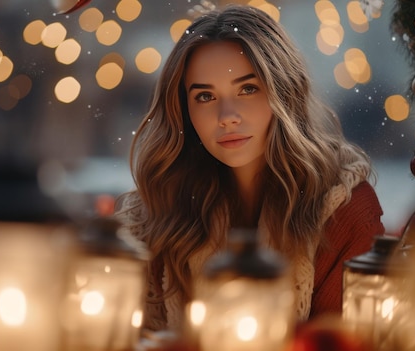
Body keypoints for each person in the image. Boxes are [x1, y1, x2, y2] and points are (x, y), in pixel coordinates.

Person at [115, 4, 385, 333]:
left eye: (247, 89)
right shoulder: (154, 215)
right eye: (204, 97)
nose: (227, 115)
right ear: (184, 110)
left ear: (283, 93)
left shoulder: (342, 209)